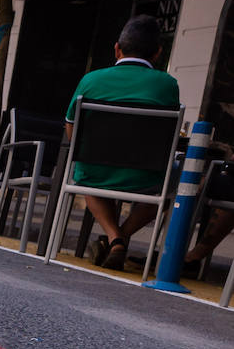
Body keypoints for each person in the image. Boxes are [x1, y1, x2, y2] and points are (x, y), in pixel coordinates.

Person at [64, 14, 180, 270]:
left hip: (95, 171)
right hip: (146, 177)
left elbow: (71, 126)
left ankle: (115, 238)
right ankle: (120, 238)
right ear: (158, 53)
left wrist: (84, 153)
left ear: (117, 49)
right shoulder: (167, 85)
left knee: (83, 174)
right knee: (172, 185)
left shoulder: (91, 80)